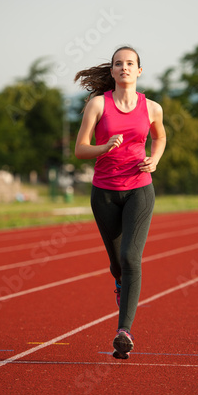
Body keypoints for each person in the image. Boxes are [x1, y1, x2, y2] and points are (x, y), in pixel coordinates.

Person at [74, 46, 166, 359]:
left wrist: (155, 158)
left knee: (131, 257)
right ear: (112, 71)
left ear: (139, 71)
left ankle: (123, 331)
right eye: (118, 64)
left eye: (130, 63)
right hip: (104, 193)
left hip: (140, 189)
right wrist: (104, 148)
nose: (124, 68)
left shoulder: (152, 108)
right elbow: (80, 149)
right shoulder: (98, 105)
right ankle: (119, 282)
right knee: (117, 263)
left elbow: (161, 136)